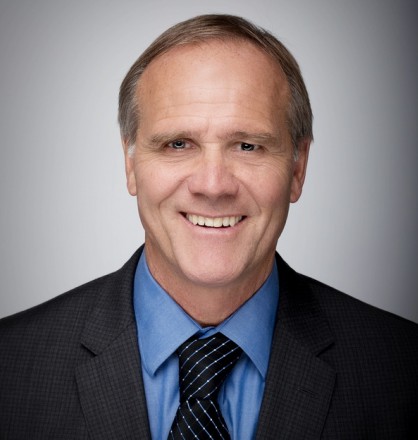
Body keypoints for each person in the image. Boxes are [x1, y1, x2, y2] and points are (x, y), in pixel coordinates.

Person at [0, 14, 417, 440]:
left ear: (298, 168)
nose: (213, 185)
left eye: (248, 146)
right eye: (178, 144)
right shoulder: (10, 365)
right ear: (130, 163)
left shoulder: (402, 368)